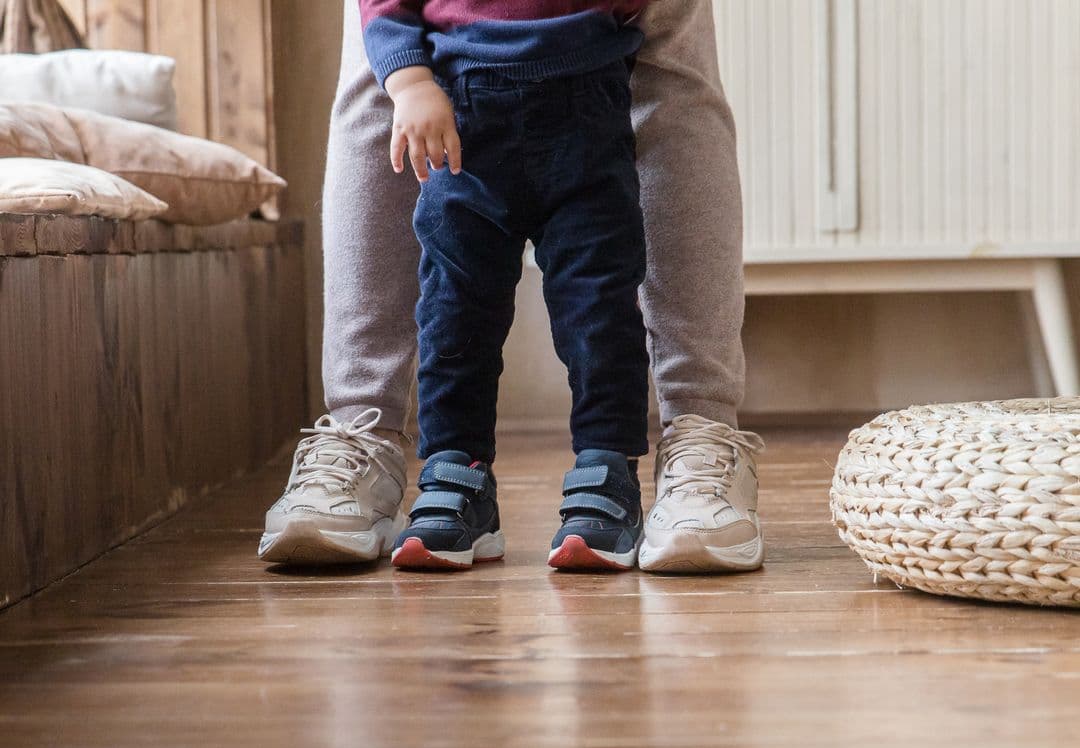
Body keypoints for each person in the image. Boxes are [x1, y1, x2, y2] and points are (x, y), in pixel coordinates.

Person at [259, 0, 765, 575]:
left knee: (599, 314)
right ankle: (449, 473)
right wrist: (409, 80)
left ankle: (611, 473)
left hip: (588, 102)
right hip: (458, 122)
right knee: (454, 317)